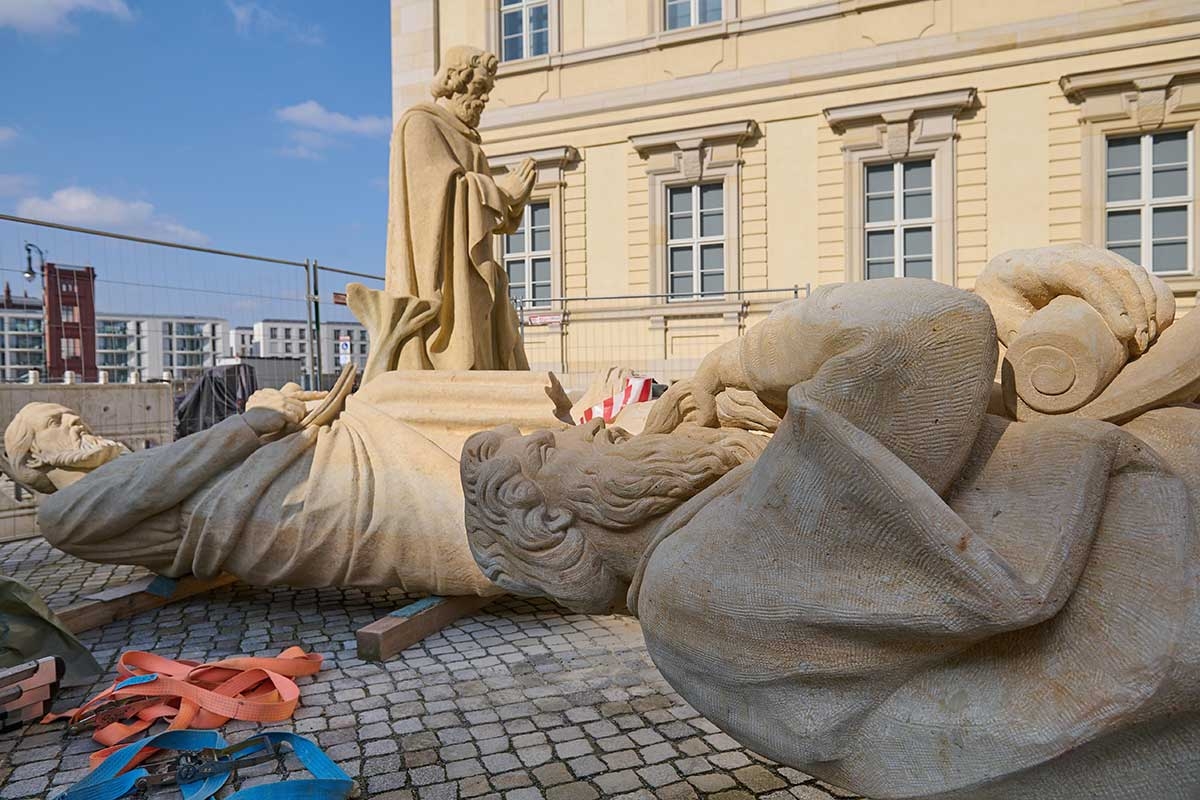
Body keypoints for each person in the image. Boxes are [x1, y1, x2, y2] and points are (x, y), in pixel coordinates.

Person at [462, 272, 1200, 800]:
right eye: (549, 449)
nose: (590, 423)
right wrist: (737, 360)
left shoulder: (691, 563)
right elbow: (924, 331)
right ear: (553, 520)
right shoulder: (703, 567)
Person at [5, 385, 499, 596]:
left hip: (255, 479)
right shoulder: (62, 515)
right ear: (33, 459)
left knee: (386, 397)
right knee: (402, 498)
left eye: (71, 414)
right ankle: (516, 532)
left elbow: (172, 468)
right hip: (252, 516)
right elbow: (154, 484)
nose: (74, 420)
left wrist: (262, 419)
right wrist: (249, 424)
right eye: (55, 421)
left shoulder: (118, 467)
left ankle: (525, 448)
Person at [382, 45, 535, 371]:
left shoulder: (471, 144)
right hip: (439, 277)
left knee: (496, 288)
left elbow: (488, 220)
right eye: (478, 88)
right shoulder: (421, 125)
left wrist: (513, 202)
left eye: (487, 92)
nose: (483, 100)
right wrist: (500, 192)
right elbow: (435, 197)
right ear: (454, 82)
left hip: (472, 272)